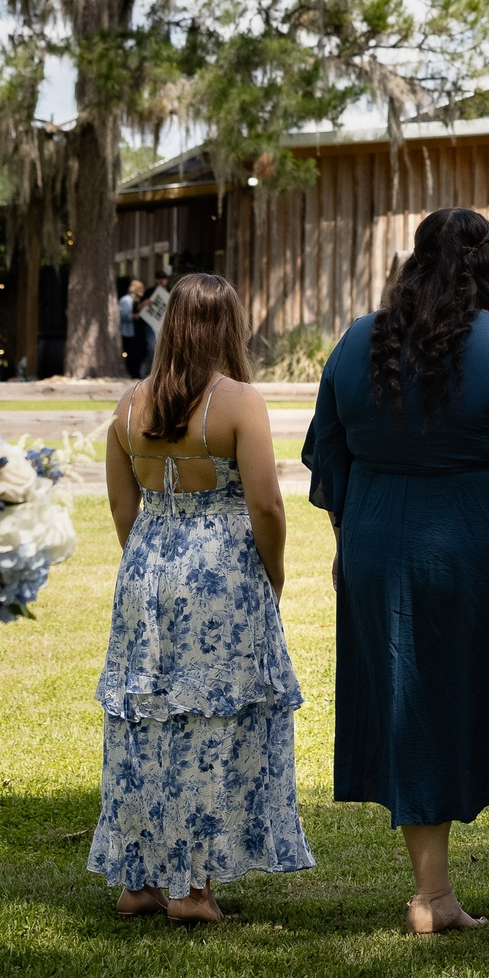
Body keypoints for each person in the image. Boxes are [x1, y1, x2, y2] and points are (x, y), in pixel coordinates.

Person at [302, 210, 489, 933]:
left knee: (410, 705)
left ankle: (433, 893)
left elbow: (330, 456)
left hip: (378, 548)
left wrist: (347, 543)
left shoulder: (358, 341)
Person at [92, 273, 313, 921]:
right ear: (229, 327)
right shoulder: (239, 402)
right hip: (221, 574)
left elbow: (120, 503)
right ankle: (193, 888)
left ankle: (138, 881)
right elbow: (267, 503)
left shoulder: (130, 407)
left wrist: (150, 560)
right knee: (207, 724)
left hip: (146, 571)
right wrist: (272, 573)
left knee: (142, 718)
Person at [119, 278, 145, 379]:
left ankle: (137, 373)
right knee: (129, 353)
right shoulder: (126, 300)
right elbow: (122, 315)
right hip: (128, 331)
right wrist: (133, 316)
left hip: (138, 331)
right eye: (139, 289)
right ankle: (132, 373)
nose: (141, 291)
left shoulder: (139, 301)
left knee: (139, 353)